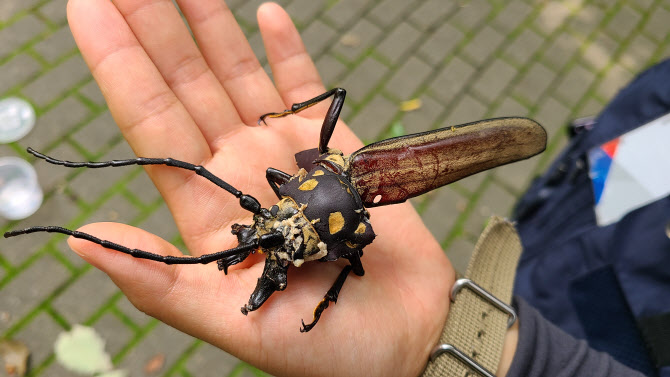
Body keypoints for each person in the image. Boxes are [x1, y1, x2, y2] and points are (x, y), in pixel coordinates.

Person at [62, 0, 644, 375]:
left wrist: (441, 345)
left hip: (571, 275)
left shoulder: (340, 215)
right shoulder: (319, 205)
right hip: (595, 202)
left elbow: (349, 248)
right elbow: (342, 244)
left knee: (356, 234)